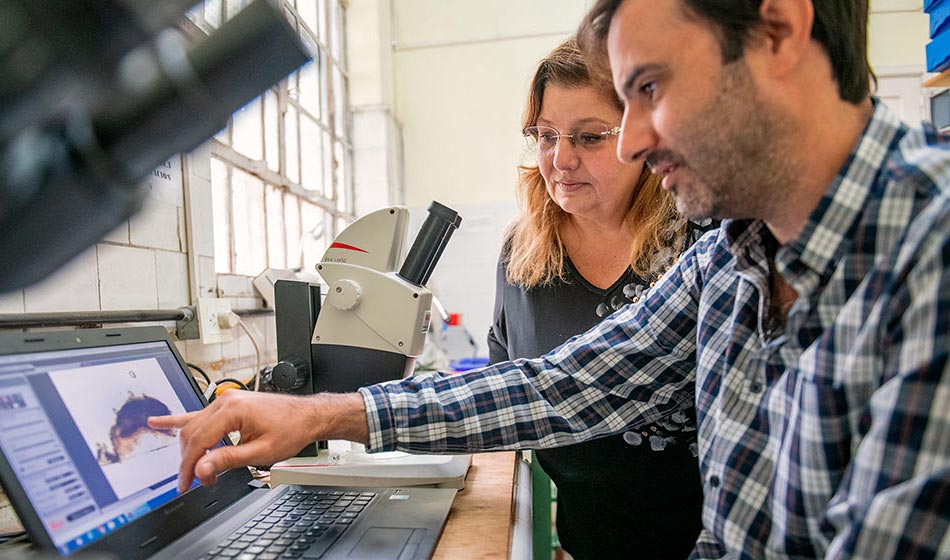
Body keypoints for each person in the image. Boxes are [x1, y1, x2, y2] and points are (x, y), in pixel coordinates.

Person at [152, 1, 950, 557]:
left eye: (650, 89)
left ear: (778, 30)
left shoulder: (928, 252)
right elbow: (556, 388)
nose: (631, 142)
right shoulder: (733, 259)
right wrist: (319, 413)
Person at [488, 38, 707, 559]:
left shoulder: (698, 237)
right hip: (592, 543)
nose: (560, 159)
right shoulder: (523, 254)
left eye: (589, 137)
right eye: (545, 136)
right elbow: (506, 393)